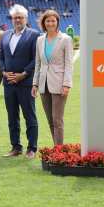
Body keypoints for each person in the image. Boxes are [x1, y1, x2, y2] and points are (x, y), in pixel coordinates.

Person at [0, 5, 40, 158]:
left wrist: (24, 74)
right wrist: (3, 71)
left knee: (29, 115)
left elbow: (36, 59)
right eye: (15, 17)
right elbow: (0, 56)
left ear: (26, 19)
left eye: (20, 17)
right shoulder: (5, 35)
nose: (17, 20)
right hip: (9, 84)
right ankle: (16, 147)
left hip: (26, 83)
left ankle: (32, 148)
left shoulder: (34, 35)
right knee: (12, 117)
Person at [32, 10, 73, 145]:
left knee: (57, 120)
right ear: (44, 23)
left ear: (57, 22)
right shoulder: (39, 40)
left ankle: (59, 151)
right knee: (50, 120)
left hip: (59, 84)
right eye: (48, 21)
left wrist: (67, 84)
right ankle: (56, 149)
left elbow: (69, 63)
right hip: (44, 85)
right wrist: (35, 84)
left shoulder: (66, 39)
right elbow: (38, 64)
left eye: (53, 21)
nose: (50, 23)